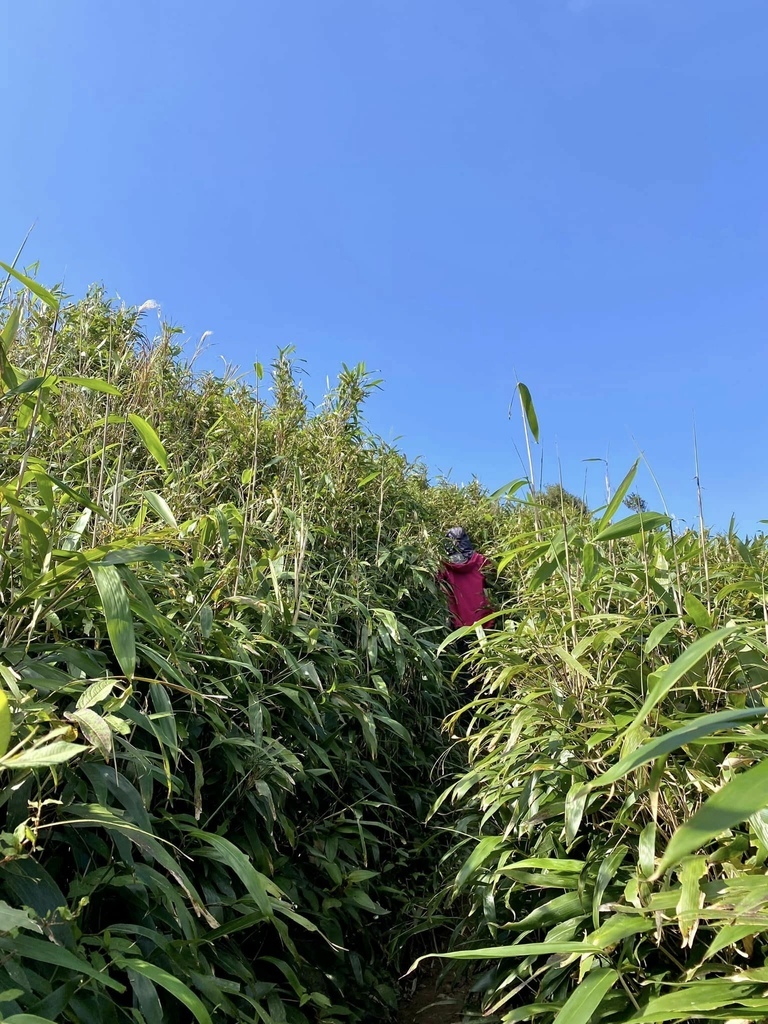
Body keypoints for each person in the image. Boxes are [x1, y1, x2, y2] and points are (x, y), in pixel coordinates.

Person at [438, 527, 494, 630]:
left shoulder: (443, 565)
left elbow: (436, 583)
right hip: (483, 617)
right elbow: (493, 576)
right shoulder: (480, 559)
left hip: (459, 619)